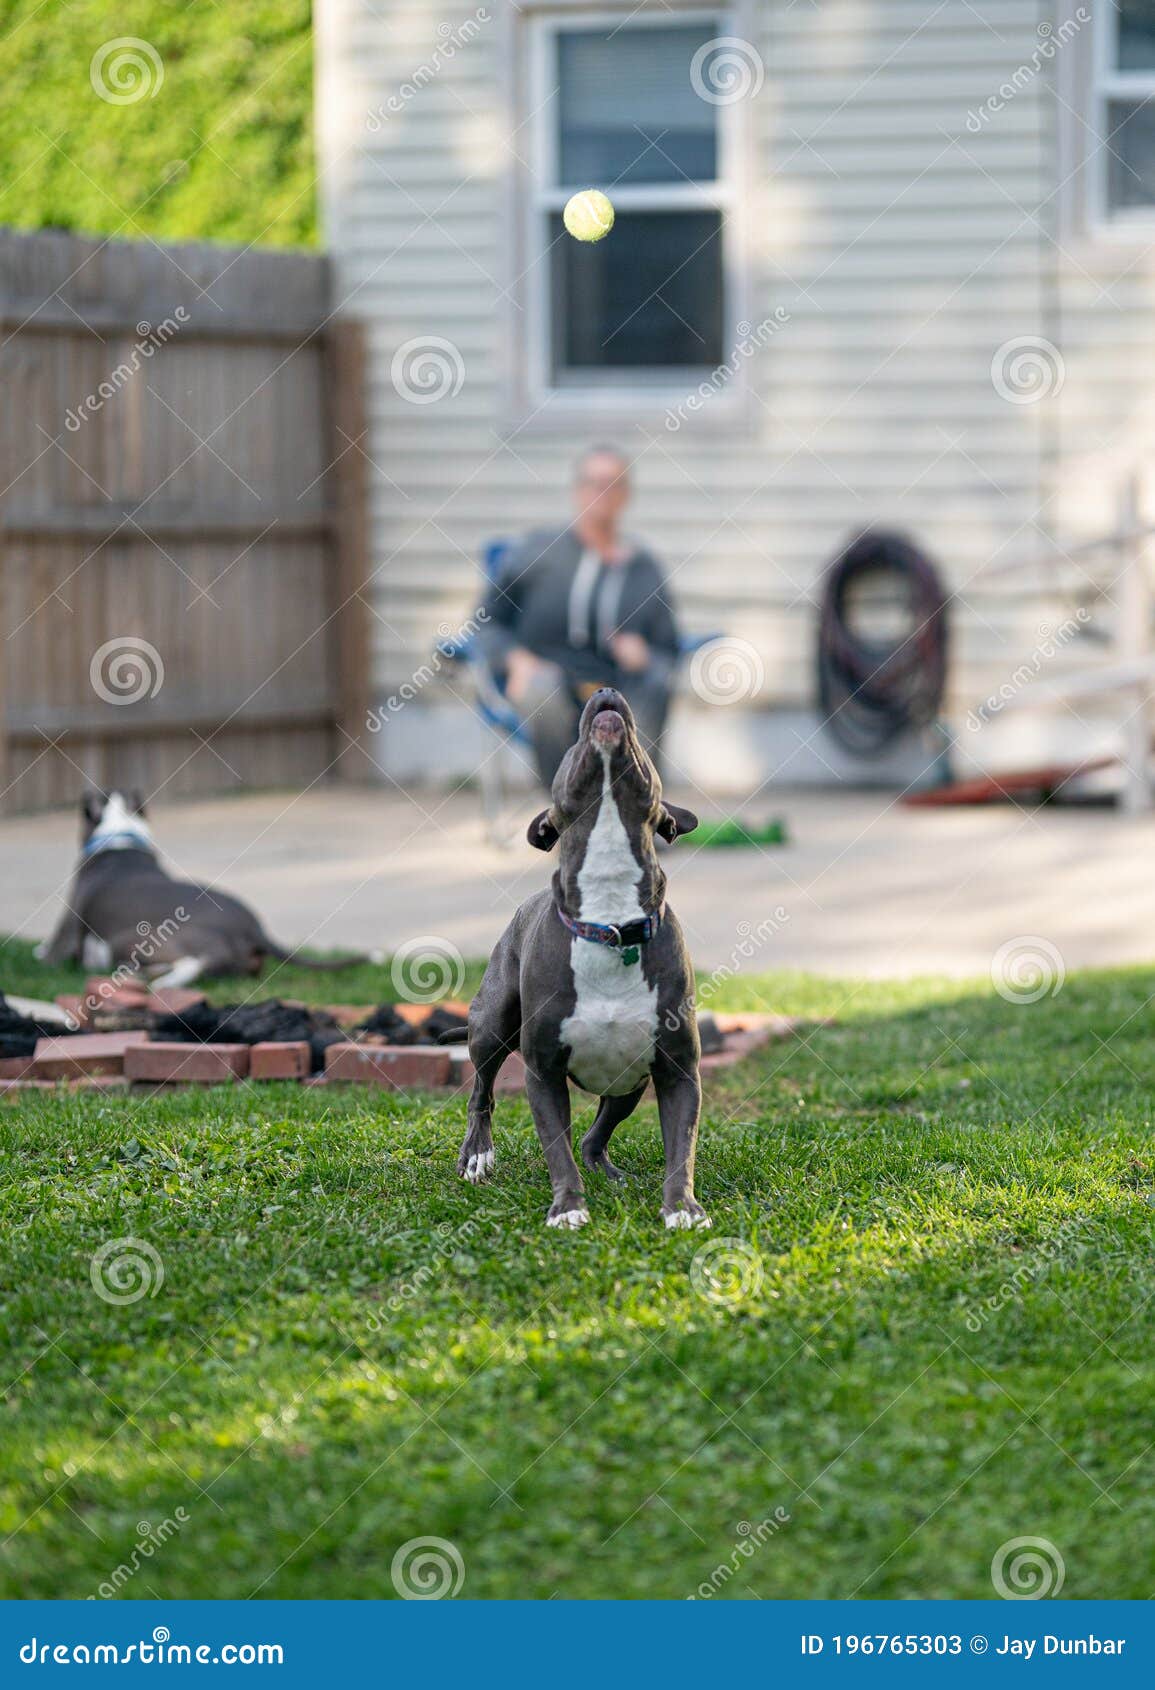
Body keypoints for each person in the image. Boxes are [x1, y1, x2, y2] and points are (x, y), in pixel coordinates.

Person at [477, 446, 680, 788]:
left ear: (626, 495)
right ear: (577, 490)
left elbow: (669, 646)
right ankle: (570, 811)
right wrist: (515, 659)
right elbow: (486, 622)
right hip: (546, 680)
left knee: (655, 680)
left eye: (613, 483)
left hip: (617, 688)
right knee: (540, 688)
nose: (603, 492)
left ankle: (636, 810)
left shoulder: (643, 568)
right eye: (594, 482)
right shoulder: (537, 551)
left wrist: (645, 654)